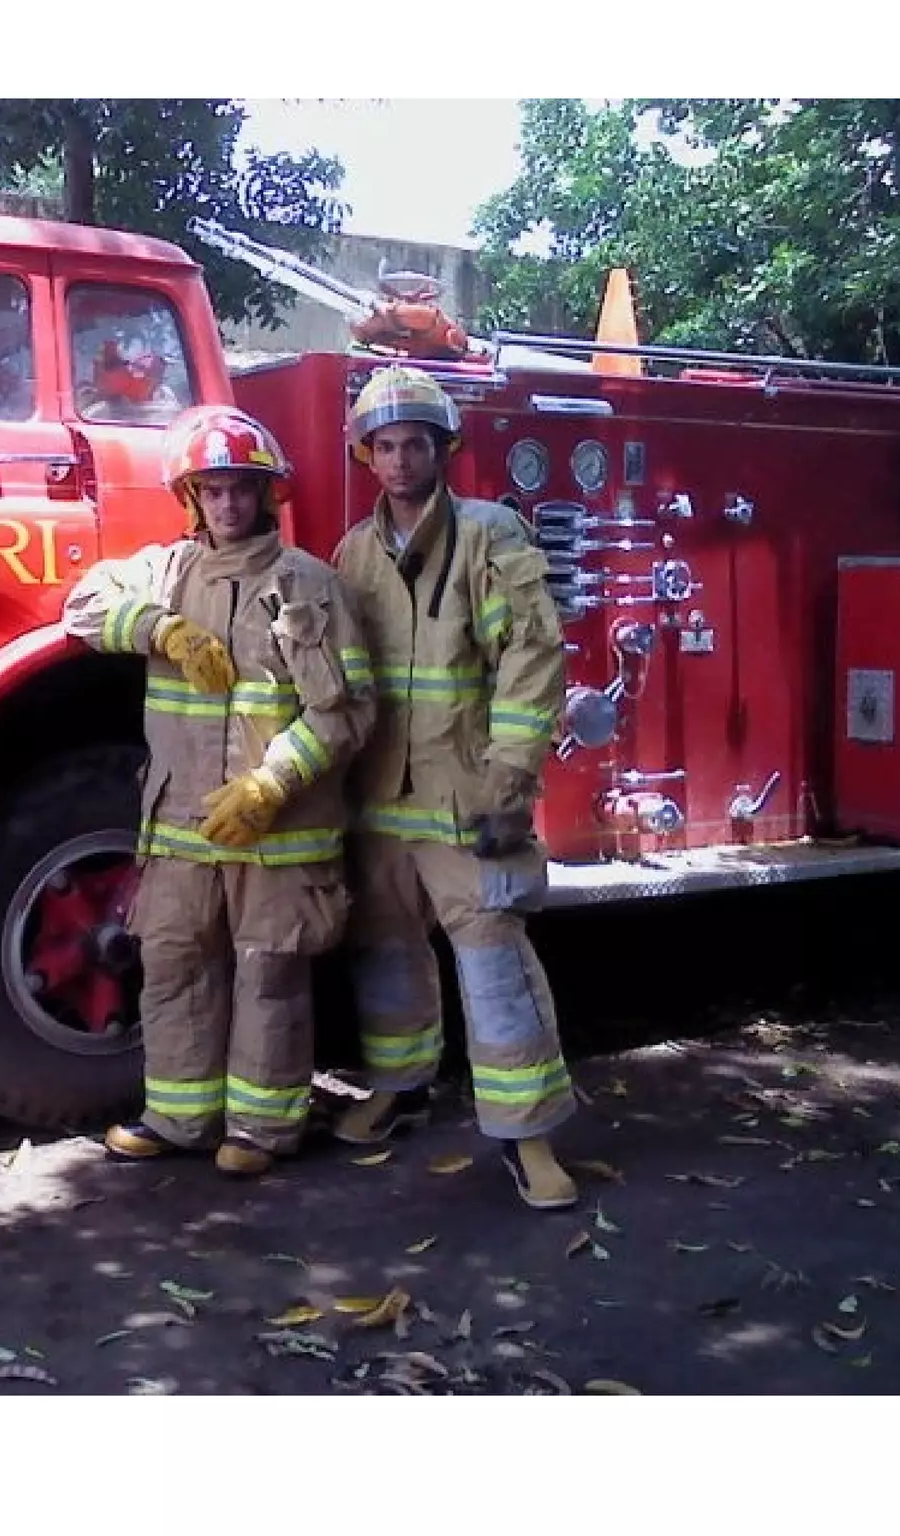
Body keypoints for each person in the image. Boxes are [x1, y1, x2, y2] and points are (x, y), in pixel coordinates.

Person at [63, 405, 375, 1176]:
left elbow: (347, 713)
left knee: (269, 974)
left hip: (279, 829)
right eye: (213, 490)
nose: (228, 504)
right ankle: (179, 1118)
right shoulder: (165, 574)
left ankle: (262, 1131)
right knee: (173, 965)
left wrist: (272, 784)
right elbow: (81, 608)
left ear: (268, 494)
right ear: (191, 499)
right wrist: (161, 629)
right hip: (180, 828)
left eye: (242, 488)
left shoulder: (308, 585)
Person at [329, 365, 580, 1210]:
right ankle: (399, 1089)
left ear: (443, 450)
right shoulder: (352, 554)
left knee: (494, 965)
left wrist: (509, 778)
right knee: (385, 950)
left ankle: (526, 1134)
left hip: (467, 796)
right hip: (379, 800)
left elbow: (531, 659)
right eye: (386, 446)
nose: (400, 460)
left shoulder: (490, 536)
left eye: (415, 445)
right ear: (366, 456)